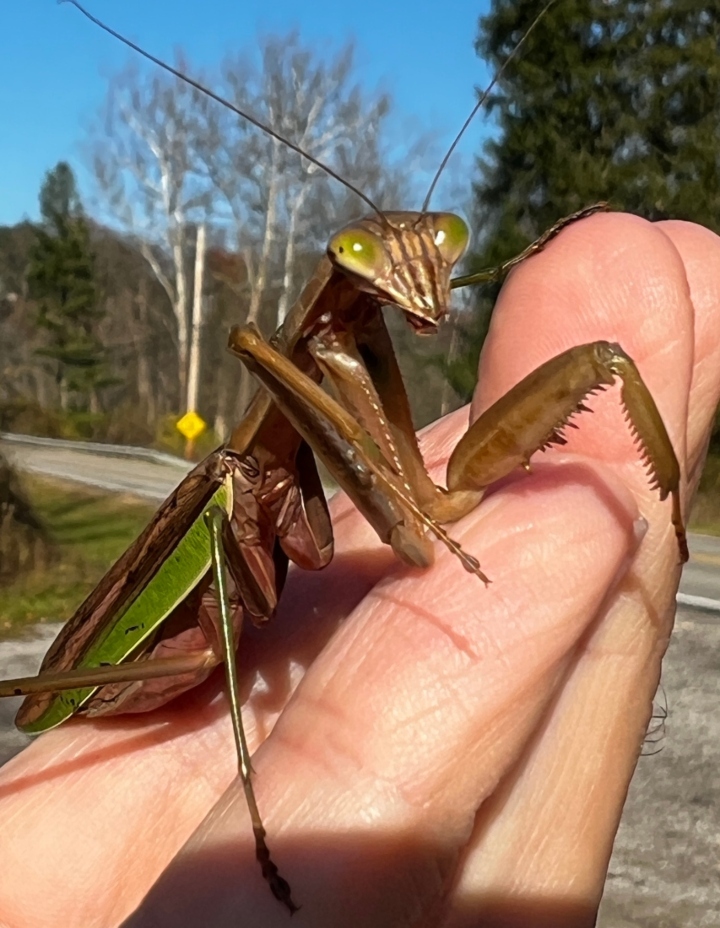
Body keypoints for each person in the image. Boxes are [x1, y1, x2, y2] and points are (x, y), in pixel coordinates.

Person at [1, 213, 719, 928]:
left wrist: (499, 270)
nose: (427, 287)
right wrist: (260, 825)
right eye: (367, 259)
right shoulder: (260, 419)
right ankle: (256, 815)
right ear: (340, 266)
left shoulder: (345, 339)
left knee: (601, 359)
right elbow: (271, 370)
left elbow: (356, 516)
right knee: (212, 620)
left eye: (444, 245)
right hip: (111, 667)